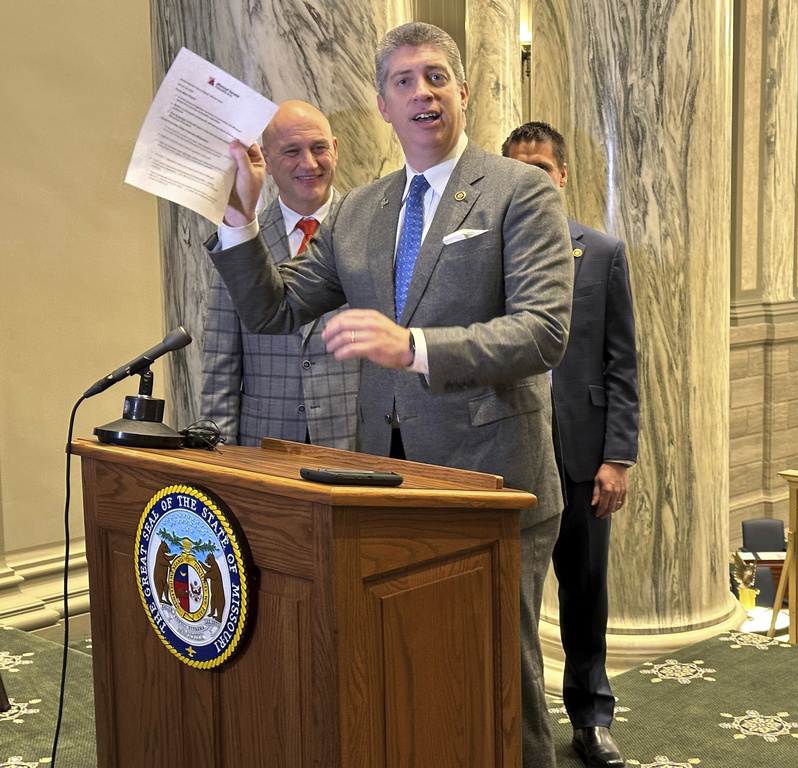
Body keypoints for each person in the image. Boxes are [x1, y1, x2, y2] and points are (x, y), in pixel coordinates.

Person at [207, 23, 573, 767]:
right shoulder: (359, 212)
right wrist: (240, 219)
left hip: (492, 473)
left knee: (503, 674)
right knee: (413, 666)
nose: (422, 93)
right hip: (387, 480)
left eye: (436, 77)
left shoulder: (520, 191)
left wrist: (415, 348)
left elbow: (543, 332)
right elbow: (274, 309)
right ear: (382, 104)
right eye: (404, 81)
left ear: (463, 94)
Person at [502, 122, 638, 768]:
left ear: (563, 176)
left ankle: (591, 718)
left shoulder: (604, 253)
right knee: (514, 601)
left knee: (586, 593)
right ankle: (516, 721)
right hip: (509, 457)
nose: (532, 177)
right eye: (519, 167)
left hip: (583, 458)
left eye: (542, 167)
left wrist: (619, 457)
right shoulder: (489, 251)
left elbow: (622, 366)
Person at [200, 100, 359, 449]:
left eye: (319, 148)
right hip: (266, 444)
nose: (309, 163)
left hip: (353, 444)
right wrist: (220, 457)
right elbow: (221, 363)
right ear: (267, 162)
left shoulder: (366, 230)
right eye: (292, 151)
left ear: (335, 149)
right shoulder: (239, 240)